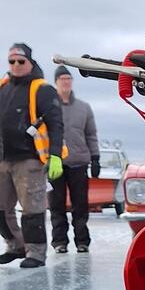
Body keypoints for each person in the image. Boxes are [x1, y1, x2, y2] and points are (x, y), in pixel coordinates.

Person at [0, 43, 64, 268]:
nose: (16, 65)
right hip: (3, 159)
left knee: (32, 209)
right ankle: (16, 245)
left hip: (29, 159)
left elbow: (56, 124)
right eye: (11, 61)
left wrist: (55, 155)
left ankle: (35, 253)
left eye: (20, 61)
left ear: (29, 62)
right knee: (1, 209)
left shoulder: (42, 89)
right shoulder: (3, 87)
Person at [49, 65, 99, 253]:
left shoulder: (83, 108)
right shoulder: (48, 107)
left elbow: (91, 134)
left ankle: (82, 241)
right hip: (55, 164)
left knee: (80, 205)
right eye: (62, 79)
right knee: (56, 205)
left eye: (68, 79)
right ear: (56, 83)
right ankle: (59, 242)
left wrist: (95, 158)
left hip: (79, 162)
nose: (66, 82)